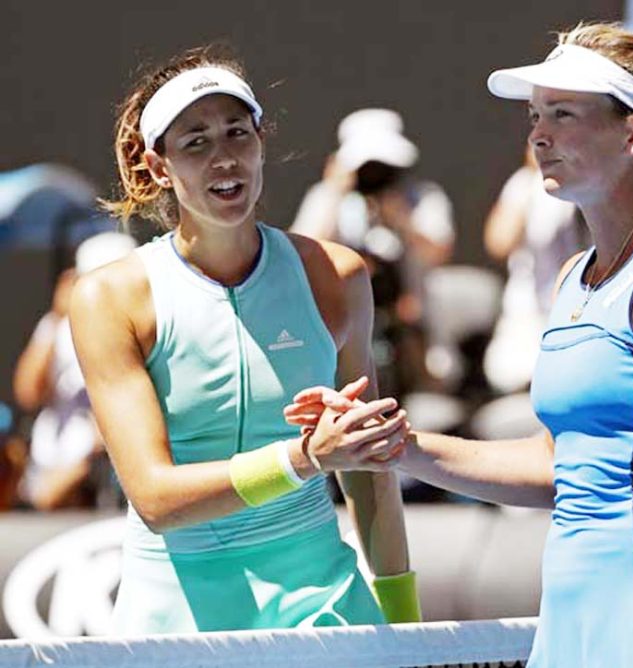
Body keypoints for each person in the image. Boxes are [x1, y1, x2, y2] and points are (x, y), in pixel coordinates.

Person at [288, 21, 633, 668]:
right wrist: (399, 447)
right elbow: (559, 463)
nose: (538, 135)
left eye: (564, 115)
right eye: (535, 116)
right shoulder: (576, 277)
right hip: (577, 620)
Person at [69, 47, 418, 634]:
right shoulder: (107, 299)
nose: (224, 158)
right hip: (174, 616)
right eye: (195, 141)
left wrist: (408, 627)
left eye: (237, 133)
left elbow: (369, 471)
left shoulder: (337, 275)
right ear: (159, 167)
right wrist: (307, 457)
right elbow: (154, 499)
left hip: (323, 601)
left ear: (260, 142)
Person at [290, 108, 455, 395]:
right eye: (366, 167)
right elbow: (298, 257)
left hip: (415, 341)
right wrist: (334, 192)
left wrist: (401, 219)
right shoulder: (327, 198)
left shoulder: (422, 197)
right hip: (343, 338)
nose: (375, 175)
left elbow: (438, 253)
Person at [13, 231, 136, 511]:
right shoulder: (58, 325)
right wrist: (58, 316)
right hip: (55, 466)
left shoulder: (146, 324)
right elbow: (28, 393)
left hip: (115, 470)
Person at [482, 145, 581, 393]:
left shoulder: (590, 182)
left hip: (579, 316)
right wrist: (531, 180)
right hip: (528, 319)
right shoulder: (525, 183)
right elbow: (499, 243)